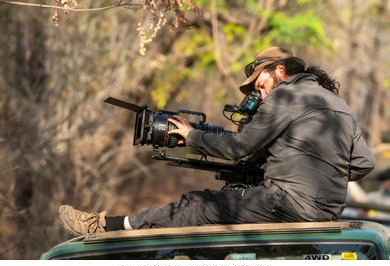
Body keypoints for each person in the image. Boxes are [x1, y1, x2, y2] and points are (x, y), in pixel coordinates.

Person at [59, 46, 375, 236]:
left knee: (198, 205)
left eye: (260, 81)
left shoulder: (286, 95)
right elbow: (363, 163)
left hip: (288, 206)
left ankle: (105, 226)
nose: (259, 91)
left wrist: (191, 136)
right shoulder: (339, 104)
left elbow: (238, 148)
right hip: (328, 213)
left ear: (281, 70)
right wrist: (315, 166)